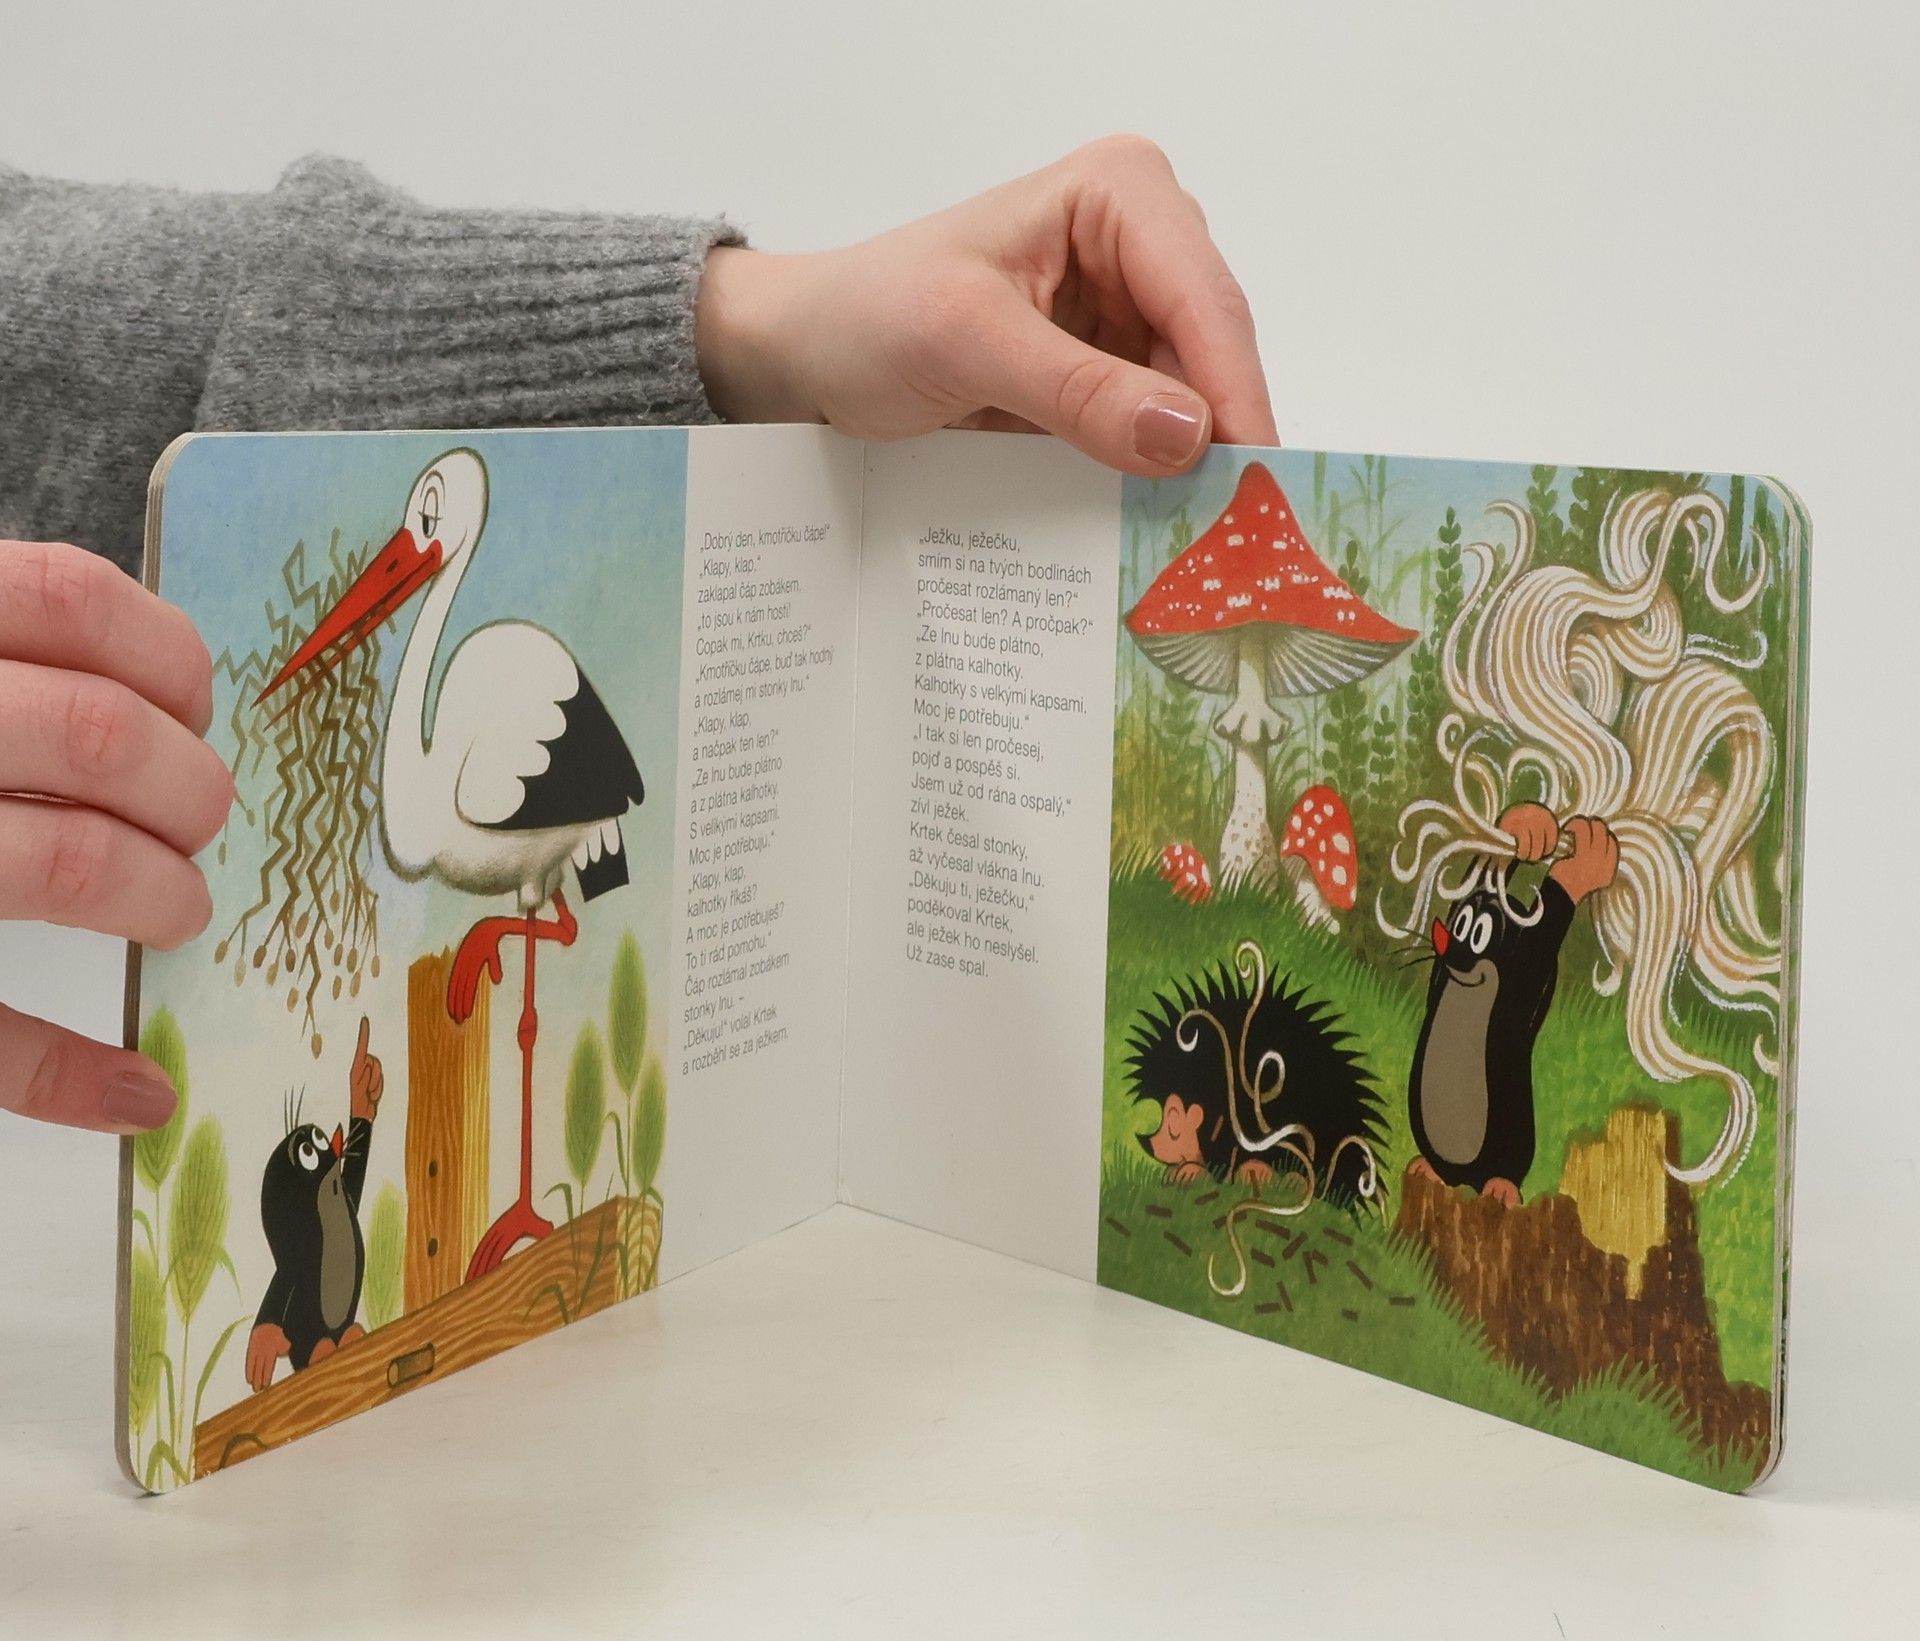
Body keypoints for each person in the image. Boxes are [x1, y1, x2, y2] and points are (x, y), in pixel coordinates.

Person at [0, 135, 1275, 1136]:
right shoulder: (464, 697)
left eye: (424, 532)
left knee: (539, 962)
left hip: (574, 839)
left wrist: (754, 330)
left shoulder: (500, 699)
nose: (409, 556)